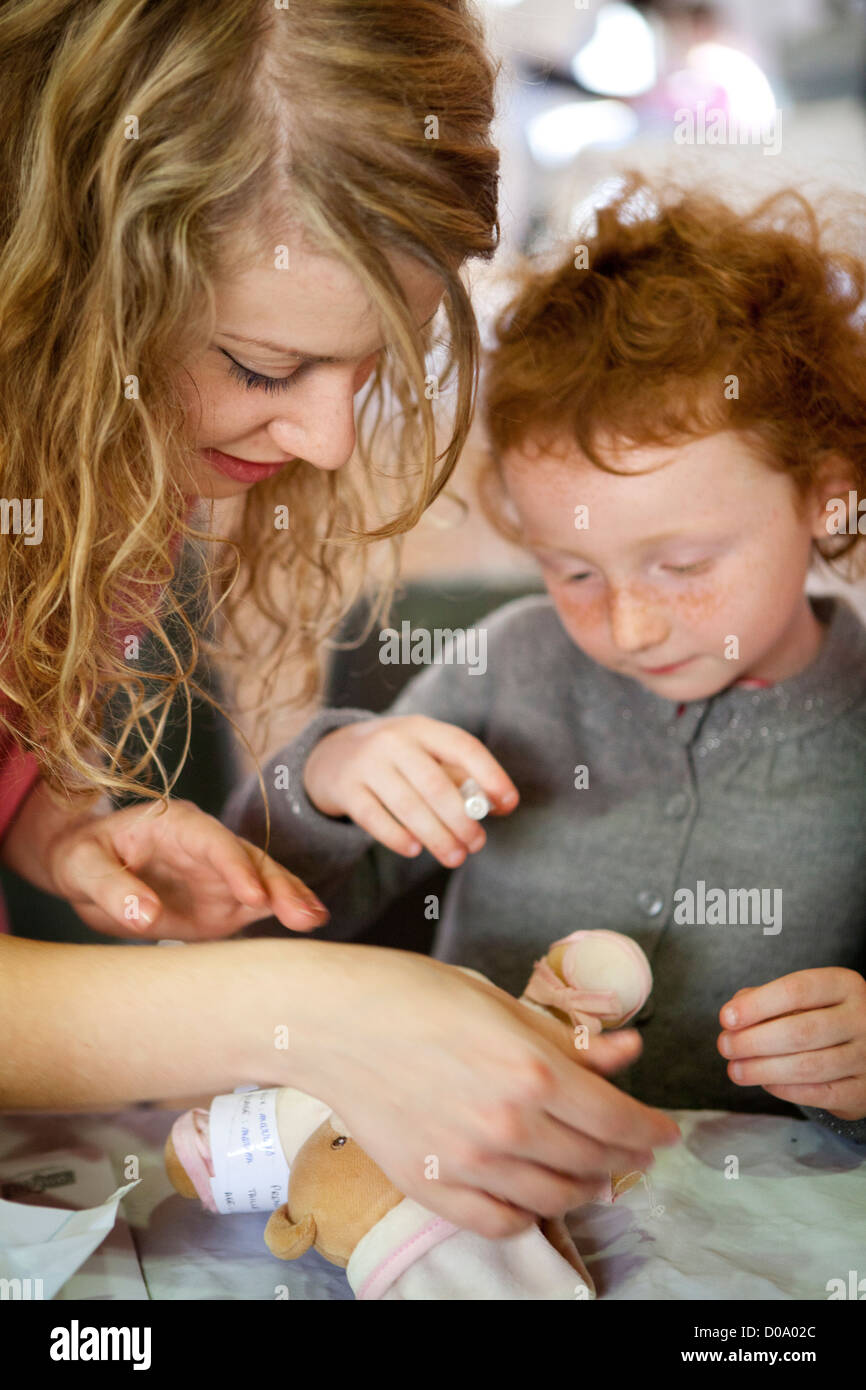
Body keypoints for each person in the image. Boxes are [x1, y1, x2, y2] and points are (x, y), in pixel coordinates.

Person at [0, 4, 678, 1238]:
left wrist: (62, 831)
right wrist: (317, 1011)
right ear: (67, 279)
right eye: (264, 368)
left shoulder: (116, 461)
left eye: (369, 368)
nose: (322, 440)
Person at [224, 177, 866, 1148]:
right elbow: (254, 929)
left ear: (825, 496)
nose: (630, 624)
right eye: (571, 571)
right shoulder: (507, 672)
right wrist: (328, 778)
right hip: (480, 1195)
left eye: (682, 564)